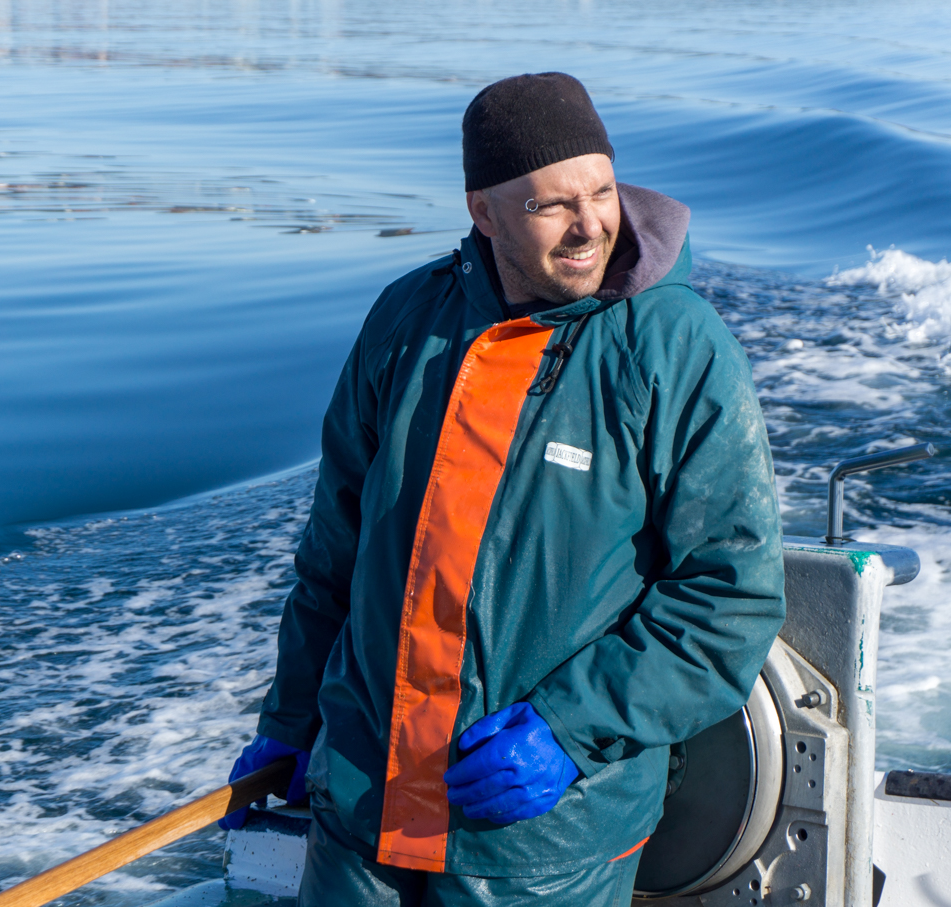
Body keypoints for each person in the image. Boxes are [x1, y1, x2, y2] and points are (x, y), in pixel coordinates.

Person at [218, 72, 786, 905]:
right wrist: (289, 725)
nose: (589, 223)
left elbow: (729, 596)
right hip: (361, 812)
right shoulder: (408, 321)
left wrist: (568, 729)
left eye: (600, 191)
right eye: (551, 205)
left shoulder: (679, 350)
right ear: (483, 212)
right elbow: (334, 552)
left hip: (540, 844)